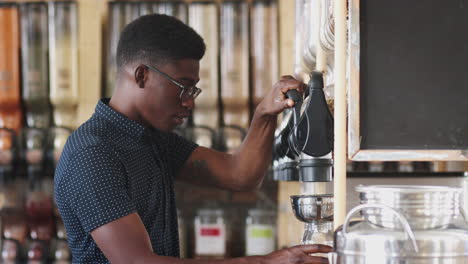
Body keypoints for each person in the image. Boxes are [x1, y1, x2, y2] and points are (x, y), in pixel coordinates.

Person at [54, 14, 332, 264]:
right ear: (142, 75)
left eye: (193, 90)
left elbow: (239, 175)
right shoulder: (92, 153)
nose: (189, 103)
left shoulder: (152, 140)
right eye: (183, 87)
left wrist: (264, 114)